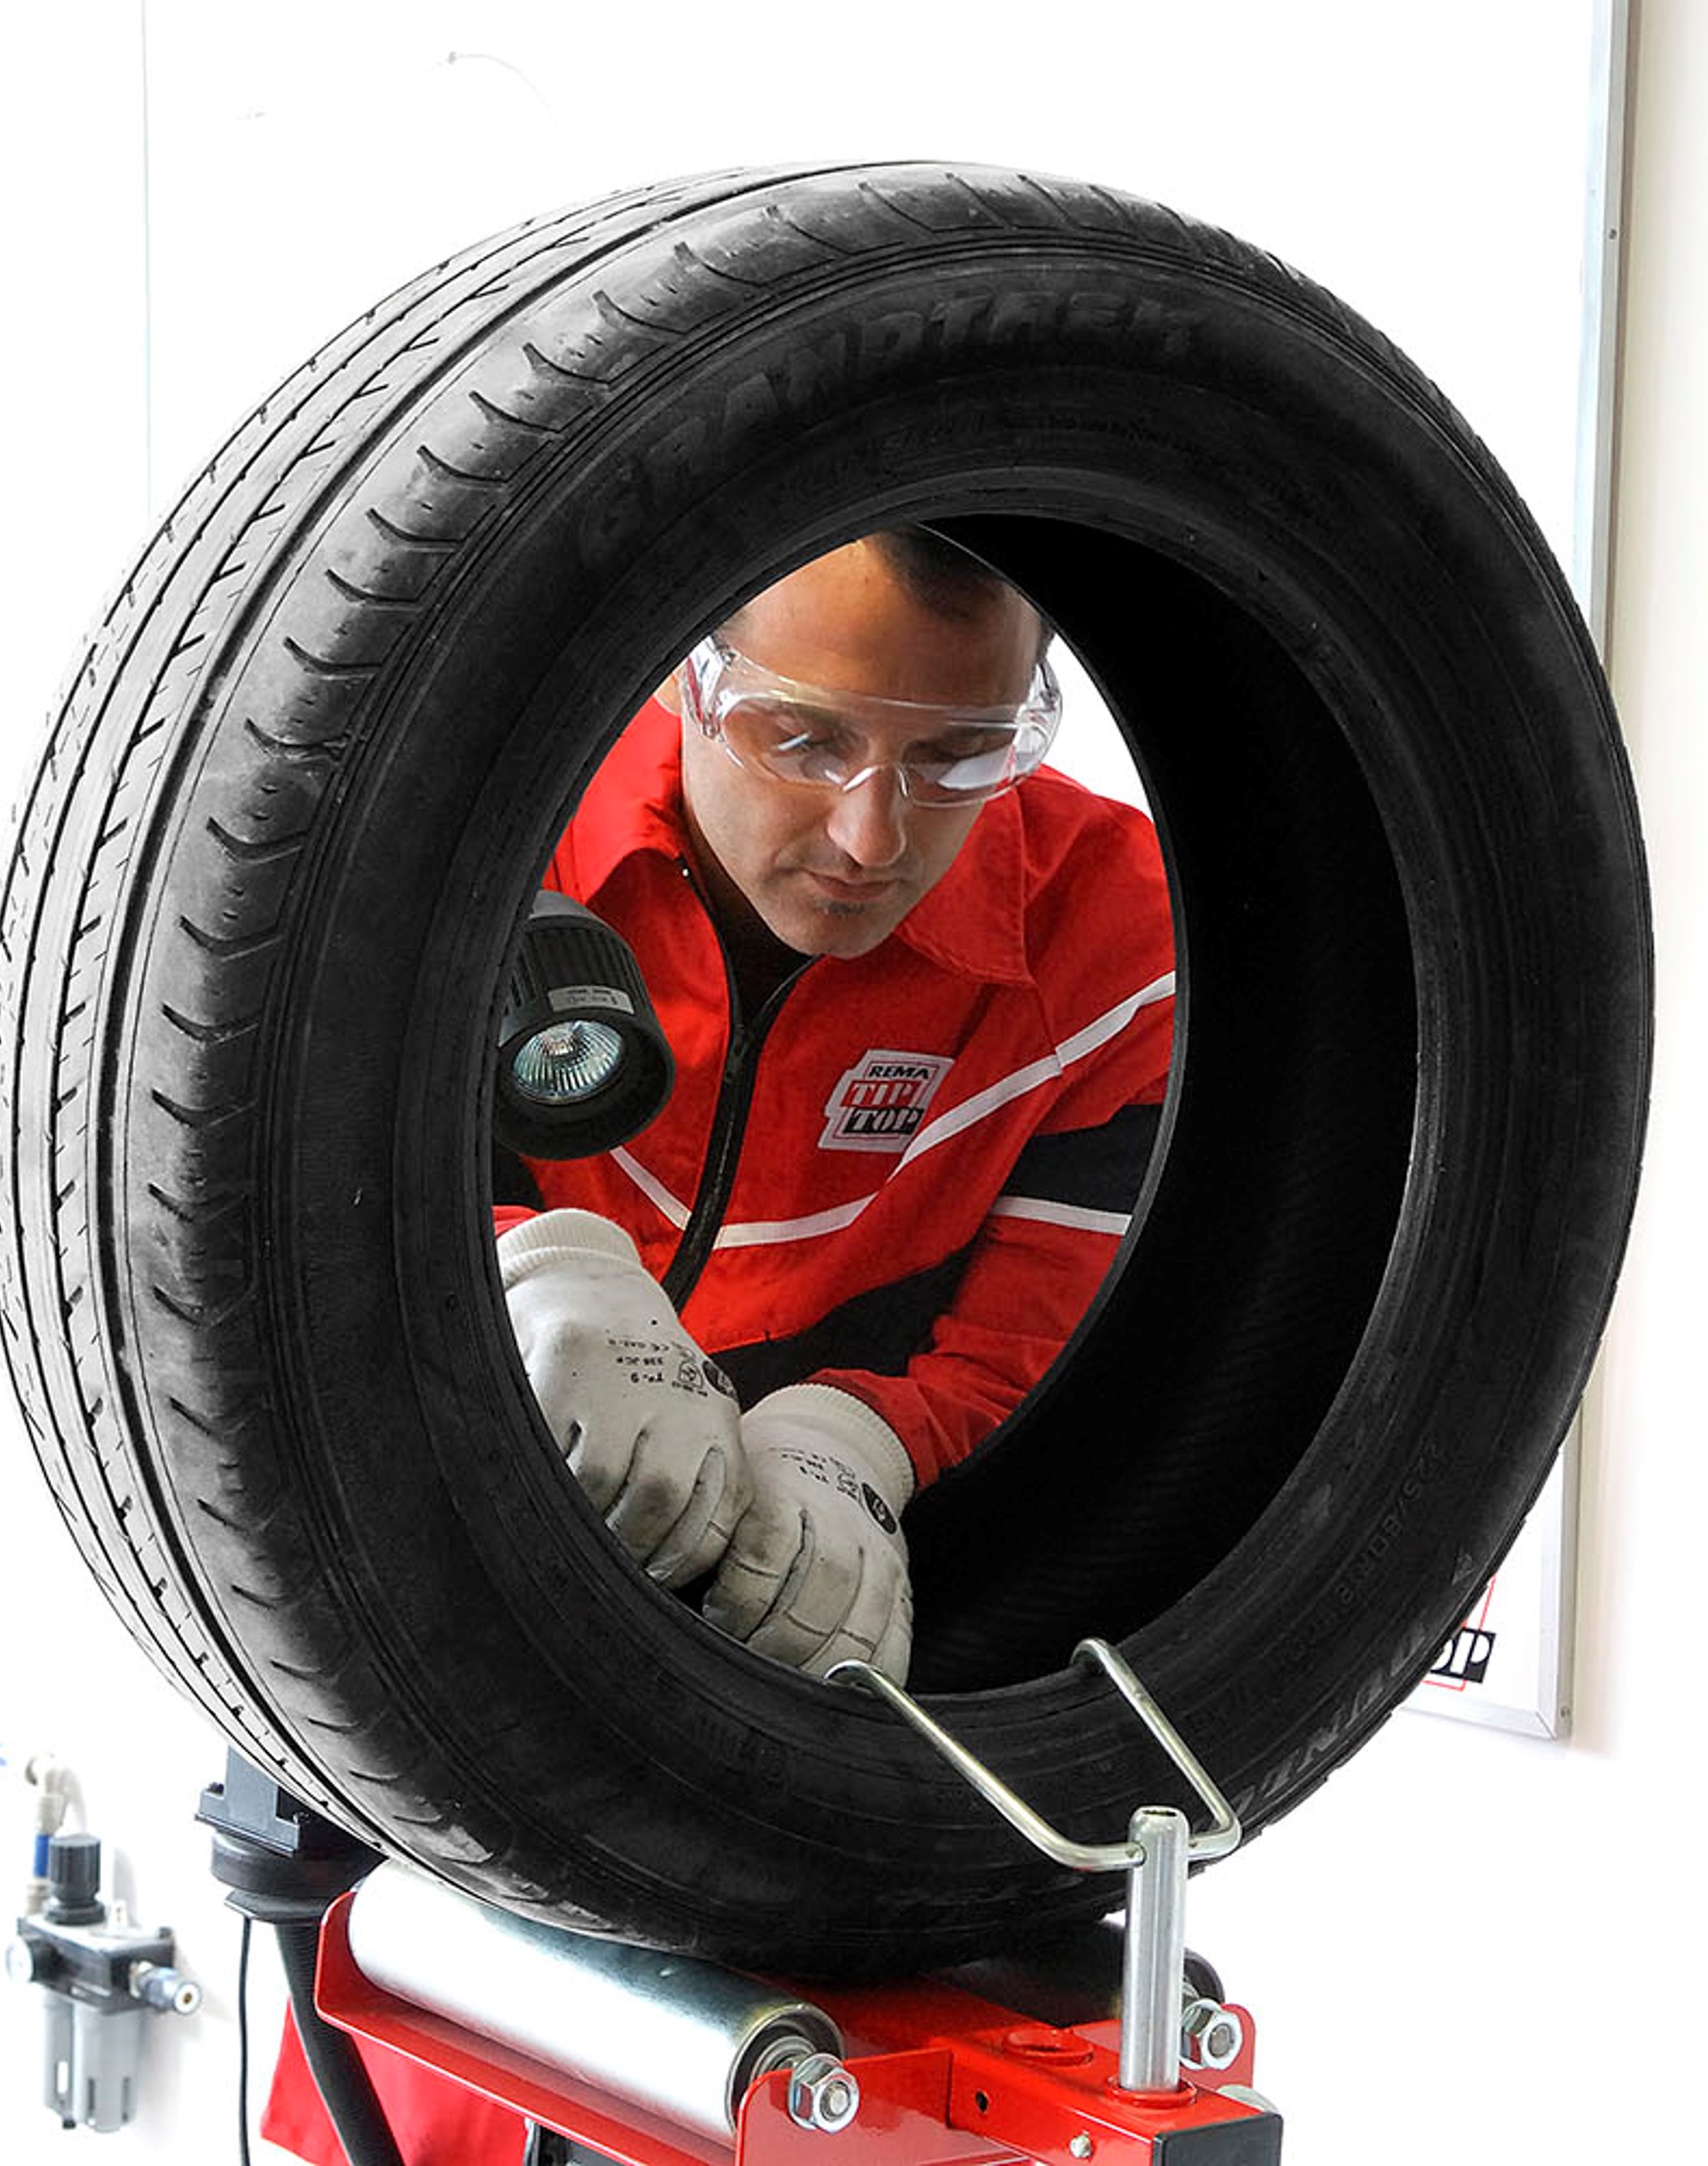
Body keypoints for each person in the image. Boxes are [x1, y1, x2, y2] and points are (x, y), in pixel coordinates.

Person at [261, 529, 1175, 2166]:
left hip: (841, 1774)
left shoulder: (1112, 934)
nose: (871, 832)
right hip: (442, 1735)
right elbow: (258, 1154)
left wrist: (865, 1434)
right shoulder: (475, 825)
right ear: (692, 667)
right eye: (804, 737)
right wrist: (509, 1260)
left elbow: (1052, 1334)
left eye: (957, 755)